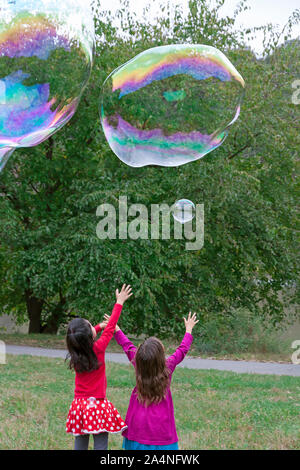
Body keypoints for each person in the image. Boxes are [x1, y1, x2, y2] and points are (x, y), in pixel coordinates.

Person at [104, 310, 198, 450]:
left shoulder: (138, 364)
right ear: (161, 356)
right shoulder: (168, 366)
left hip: (137, 427)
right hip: (162, 430)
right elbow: (182, 349)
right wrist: (189, 330)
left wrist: (116, 329)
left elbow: (127, 346)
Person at [65, 284, 132, 450]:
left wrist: (97, 328)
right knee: (101, 444)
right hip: (98, 406)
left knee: (80, 444)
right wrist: (119, 302)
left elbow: (82, 337)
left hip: (80, 405)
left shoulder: (75, 351)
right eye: (91, 325)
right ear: (89, 336)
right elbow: (111, 328)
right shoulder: (98, 348)